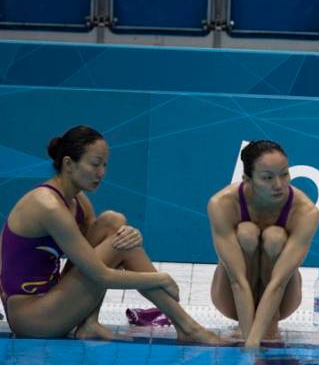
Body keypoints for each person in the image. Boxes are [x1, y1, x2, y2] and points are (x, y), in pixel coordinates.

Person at [0, 125, 221, 343]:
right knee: (119, 241)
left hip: (53, 300)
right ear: (68, 164)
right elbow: (101, 275)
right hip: (32, 318)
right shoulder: (48, 205)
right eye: (95, 164)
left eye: (104, 165)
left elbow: (89, 258)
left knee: (113, 222)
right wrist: (160, 277)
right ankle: (188, 327)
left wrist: (128, 235)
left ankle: (90, 324)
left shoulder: (78, 202)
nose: (101, 173)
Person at [209, 140, 319, 349]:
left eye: (284, 174)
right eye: (268, 178)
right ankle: (246, 326)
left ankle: (270, 326)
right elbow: (237, 281)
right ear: (247, 179)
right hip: (230, 297)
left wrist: (257, 339)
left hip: (282, 299)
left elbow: (278, 283)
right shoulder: (222, 204)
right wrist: (248, 339)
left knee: (275, 237)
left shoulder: (305, 212)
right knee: (247, 233)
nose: (279, 184)